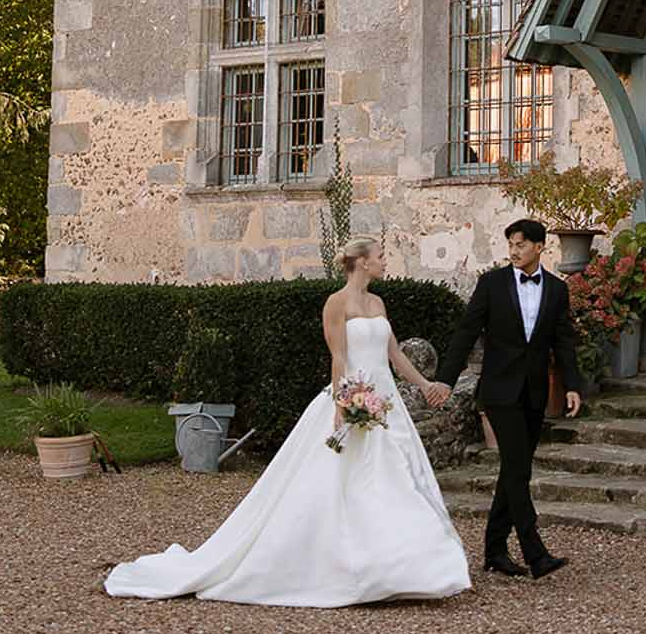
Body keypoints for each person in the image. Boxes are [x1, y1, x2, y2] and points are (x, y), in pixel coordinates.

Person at [104, 238, 471, 607]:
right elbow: (338, 356)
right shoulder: (336, 303)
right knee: (343, 483)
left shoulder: (378, 303)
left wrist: (425, 385)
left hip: (385, 403)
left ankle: (409, 567)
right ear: (362, 262)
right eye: (380, 256)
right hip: (354, 396)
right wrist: (342, 403)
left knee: (396, 479)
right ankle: (345, 567)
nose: (385, 261)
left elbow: (394, 355)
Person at [426, 217, 581, 580]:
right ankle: (535, 552)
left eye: (521, 245)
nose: (514, 251)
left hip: (535, 393)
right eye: (511, 244)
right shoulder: (491, 284)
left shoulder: (557, 290)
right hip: (498, 391)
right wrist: (446, 379)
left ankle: (495, 550)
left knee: (516, 470)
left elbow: (564, 342)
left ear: (539, 247)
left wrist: (573, 385)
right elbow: (466, 332)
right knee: (516, 467)